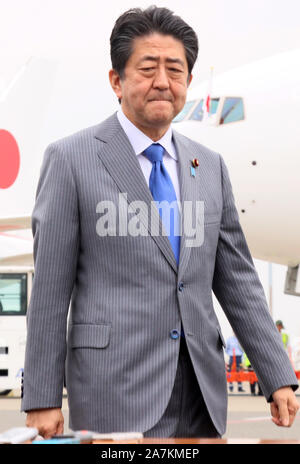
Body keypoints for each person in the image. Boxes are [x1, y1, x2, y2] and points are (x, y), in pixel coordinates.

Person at [22, 6, 299, 438]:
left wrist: (276, 374)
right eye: (147, 68)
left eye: (175, 69)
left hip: (200, 392)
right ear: (116, 80)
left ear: (187, 80)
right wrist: (41, 397)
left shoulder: (209, 166)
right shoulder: (70, 160)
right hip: (114, 388)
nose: (162, 82)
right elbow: (50, 290)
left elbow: (238, 281)